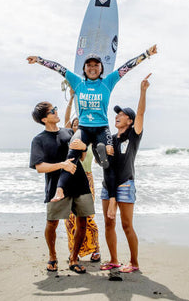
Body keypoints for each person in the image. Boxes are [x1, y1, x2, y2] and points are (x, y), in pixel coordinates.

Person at [27, 45, 157, 220]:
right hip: (84, 128)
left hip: (102, 127)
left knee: (107, 158)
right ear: (84, 69)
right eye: (89, 65)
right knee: (72, 150)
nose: (93, 68)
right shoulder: (78, 82)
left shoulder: (107, 82)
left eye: (96, 65)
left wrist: (147, 54)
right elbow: (59, 68)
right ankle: (60, 189)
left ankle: (111, 197)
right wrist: (39, 60)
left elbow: (127, 67)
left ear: (101, 68)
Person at [29, 101, 94, 274]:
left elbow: (81, 156)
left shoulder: (68, 132)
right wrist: (62, 165)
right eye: (52, 111)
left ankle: (74, 258)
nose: (56, 111)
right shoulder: (39, 140)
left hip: (80, 184)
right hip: (56, 188)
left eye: (56, 108)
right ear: (44, 119)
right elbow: (40, 167)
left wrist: (84, 148)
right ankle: (52, 257)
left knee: (83, 222)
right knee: (52, 223)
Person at [100, 73, 151, 273]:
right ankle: (113, 259)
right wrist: (103, 151)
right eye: (116, 114)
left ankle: (134, 263)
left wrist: (143, 91)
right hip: (108, 186)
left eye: (121, 114)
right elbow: (105, 165)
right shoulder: (110, 138)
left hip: (126, 184)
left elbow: (140, 113)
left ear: (129, 120)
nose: (117, 116)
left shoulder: (133, 135)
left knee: (127, 225)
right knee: (108, 222)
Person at [63, 91, 101, 263]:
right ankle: (74, 251)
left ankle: (95, 249)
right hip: (69, 179)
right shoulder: (69, 141)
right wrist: (71, 98)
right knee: (70, 219)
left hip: (87, 179)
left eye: (80, 125)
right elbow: (65, 120)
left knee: (88, 217)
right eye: (74, 125)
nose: (77, 127)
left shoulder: (90, 141)